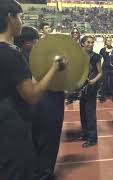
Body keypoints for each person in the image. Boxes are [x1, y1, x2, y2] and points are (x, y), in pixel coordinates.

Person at [0, 1, 67, 179]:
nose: (21, 22)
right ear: (10, 18)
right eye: (20, 17)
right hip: (12, 127)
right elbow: (32, 96)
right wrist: (54, 68)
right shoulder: (11, 53)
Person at [15, 25, 65, 180]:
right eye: (36, 40)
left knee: (34, 141)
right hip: (46, 102)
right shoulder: (34, 57)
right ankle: (44, 174)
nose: (38, 43)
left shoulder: (16, 55)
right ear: (27, 43)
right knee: (48, 142)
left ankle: (37, 172)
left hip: (27, 107)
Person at [79, 35, 102, 148]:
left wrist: (93, 80)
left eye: (92, 42)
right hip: (81, 87)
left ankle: (92, 138)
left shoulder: (96, 56)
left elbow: (100, 72)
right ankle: (85, 133)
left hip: (91, 87)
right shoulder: (78, 55)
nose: (90, 44)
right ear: (82, 43)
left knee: (90, 113)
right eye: (88, 42)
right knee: (82, 112)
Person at [99, 36, 113, 103]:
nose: (109, 41)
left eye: (110, 40)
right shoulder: (102, 50)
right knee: (104, 83)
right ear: (105, 41)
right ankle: (102, 97)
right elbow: (99, 59)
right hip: (105, 68)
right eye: (108, 40)